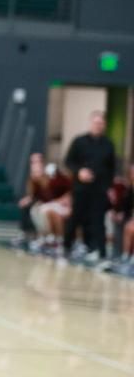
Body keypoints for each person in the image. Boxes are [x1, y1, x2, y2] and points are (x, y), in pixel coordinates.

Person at [62, 111, 116, 264]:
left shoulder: (108, 144)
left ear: (104, 125)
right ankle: (67, 247)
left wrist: (109, 187)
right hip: (81, 189)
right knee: (75, 218)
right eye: (96, 123)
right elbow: (68, 162)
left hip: (99, 190)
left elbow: (111, 168)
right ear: (90, 123)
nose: (98, 126)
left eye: (101, 123)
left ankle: (101, 253)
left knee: (98, 221)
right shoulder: (79, 141)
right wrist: (79, 172)